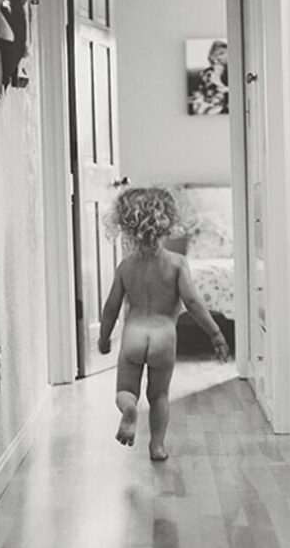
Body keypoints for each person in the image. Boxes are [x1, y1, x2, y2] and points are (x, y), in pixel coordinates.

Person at [98, 186, 230, 461]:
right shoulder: (178, 263)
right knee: (159, 396)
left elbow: (111, 307)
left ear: (125, 226)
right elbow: (194, 304)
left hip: (134, 335)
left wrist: (103, 338)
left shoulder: (126, 266)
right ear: (168, 222)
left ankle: (129, 410)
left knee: (125, 390)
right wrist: (215, 334)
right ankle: (157, 446)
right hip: (163, 337)